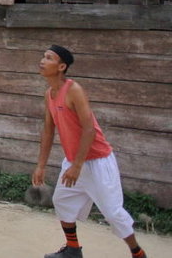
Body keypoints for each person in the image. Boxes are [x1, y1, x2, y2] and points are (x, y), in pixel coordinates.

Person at [32, 45, 147, 258]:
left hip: (97, 161)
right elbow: (48, 131)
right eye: (43, 56)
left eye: (49, 58)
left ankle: (138, 253)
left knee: (113, 213)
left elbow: (89, 130)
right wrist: (41, 165)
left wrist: (77, 166)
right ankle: (73, 250)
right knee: (62, 201)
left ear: (61, 66)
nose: (42, 60)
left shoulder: (73, 90)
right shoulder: (49, 94)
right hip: (73, 162)